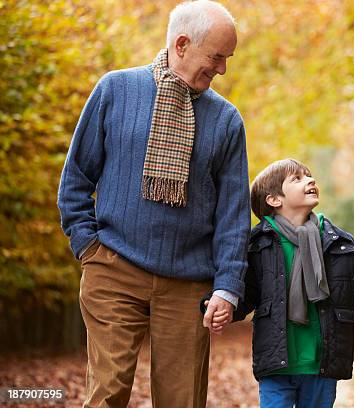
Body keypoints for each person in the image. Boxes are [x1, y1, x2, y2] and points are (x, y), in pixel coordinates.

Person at [57, 1, 250, 407]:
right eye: (217, 57)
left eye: (226, 59)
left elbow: (233, 216)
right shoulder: (115, 90)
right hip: (113, 269)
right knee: (106, 393)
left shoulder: (227, 120)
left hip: (188, 284)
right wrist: (88, 247)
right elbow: (76, 178)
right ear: (182, 44)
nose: (222, 69)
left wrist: (227, 287)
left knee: (182, 401)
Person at [203, 158, 354, 408]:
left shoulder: (339, 243)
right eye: (297, 178)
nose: (310, 180)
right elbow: (245, 292)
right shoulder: (257, 245)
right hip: (277, 364)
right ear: (274, 200)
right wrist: (220, 306)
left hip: (322, 363)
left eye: (309, 175)